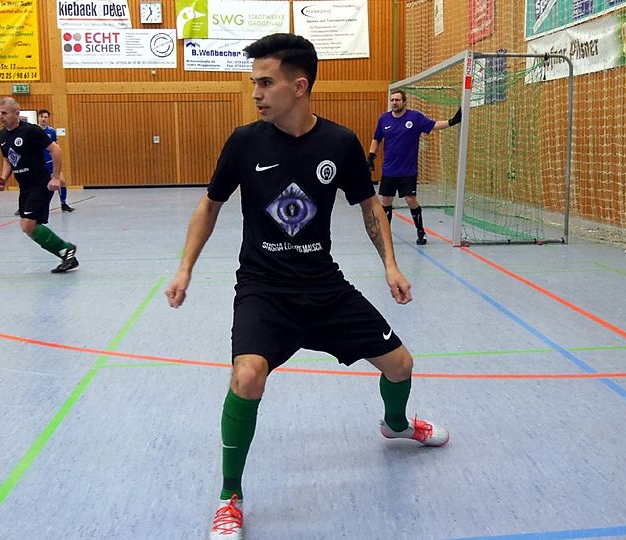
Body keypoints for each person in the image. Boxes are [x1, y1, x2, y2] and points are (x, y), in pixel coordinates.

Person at [164, 33, 448, 540]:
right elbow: (210, 205)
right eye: (254, 83)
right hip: (264, 289)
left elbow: (369, 207)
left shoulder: (339, 142)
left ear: (299, 86)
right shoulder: (244, 141)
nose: (256, 93)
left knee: (401, 364)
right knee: (247, 377)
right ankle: (230, 496)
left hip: (324, 287)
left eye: (265, 83)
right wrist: (185, 267)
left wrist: (390, 265)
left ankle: (397, 425)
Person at [0, 97, 79, 273]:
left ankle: (66, 249)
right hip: (24, 186)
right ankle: (66, 254)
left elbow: (56, 150)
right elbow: (8, 160)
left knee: (28, 225)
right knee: (28, 228)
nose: (0, 116)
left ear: (16, 113)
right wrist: (3, 178)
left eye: (4, 113)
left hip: (40, 183)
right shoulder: (2, 135)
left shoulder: (30, 131)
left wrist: (55, 177)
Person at [367, 90, 462, 245]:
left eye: (397, 100)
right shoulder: (384, 119)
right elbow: (376, 138)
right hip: (389, 169)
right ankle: (385, 233)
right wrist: (371, 156)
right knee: (386, 201)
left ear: (404, 102)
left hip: (408, 169)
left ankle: (420, 231)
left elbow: (433, 125)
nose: (394, 102)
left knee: (410, 199)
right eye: (392, 100)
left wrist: (452, 121)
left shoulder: (415, 117)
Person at [38, 109, 74, 212]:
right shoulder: (34, 131)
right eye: (41, 117)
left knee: (62, 181)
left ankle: (63, 204)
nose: (43, 119)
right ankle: (23, 207)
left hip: (50, 163)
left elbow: (56, 146)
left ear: (48, 119)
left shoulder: (51, 131)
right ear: (38, 118)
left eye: (45, 117)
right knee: (33, 185)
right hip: (38, 163)